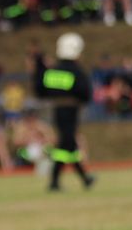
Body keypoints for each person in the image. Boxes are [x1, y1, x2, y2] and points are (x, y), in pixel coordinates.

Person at [34, 32, 95, 191]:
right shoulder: (77, 72)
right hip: (71, 111)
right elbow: (86, 94)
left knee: (68, 144)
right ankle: (58, 181)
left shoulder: (52, 71)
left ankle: (83, 178)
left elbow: (40, 90)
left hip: (57, 110)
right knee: (66, 144)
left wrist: (40, 67)